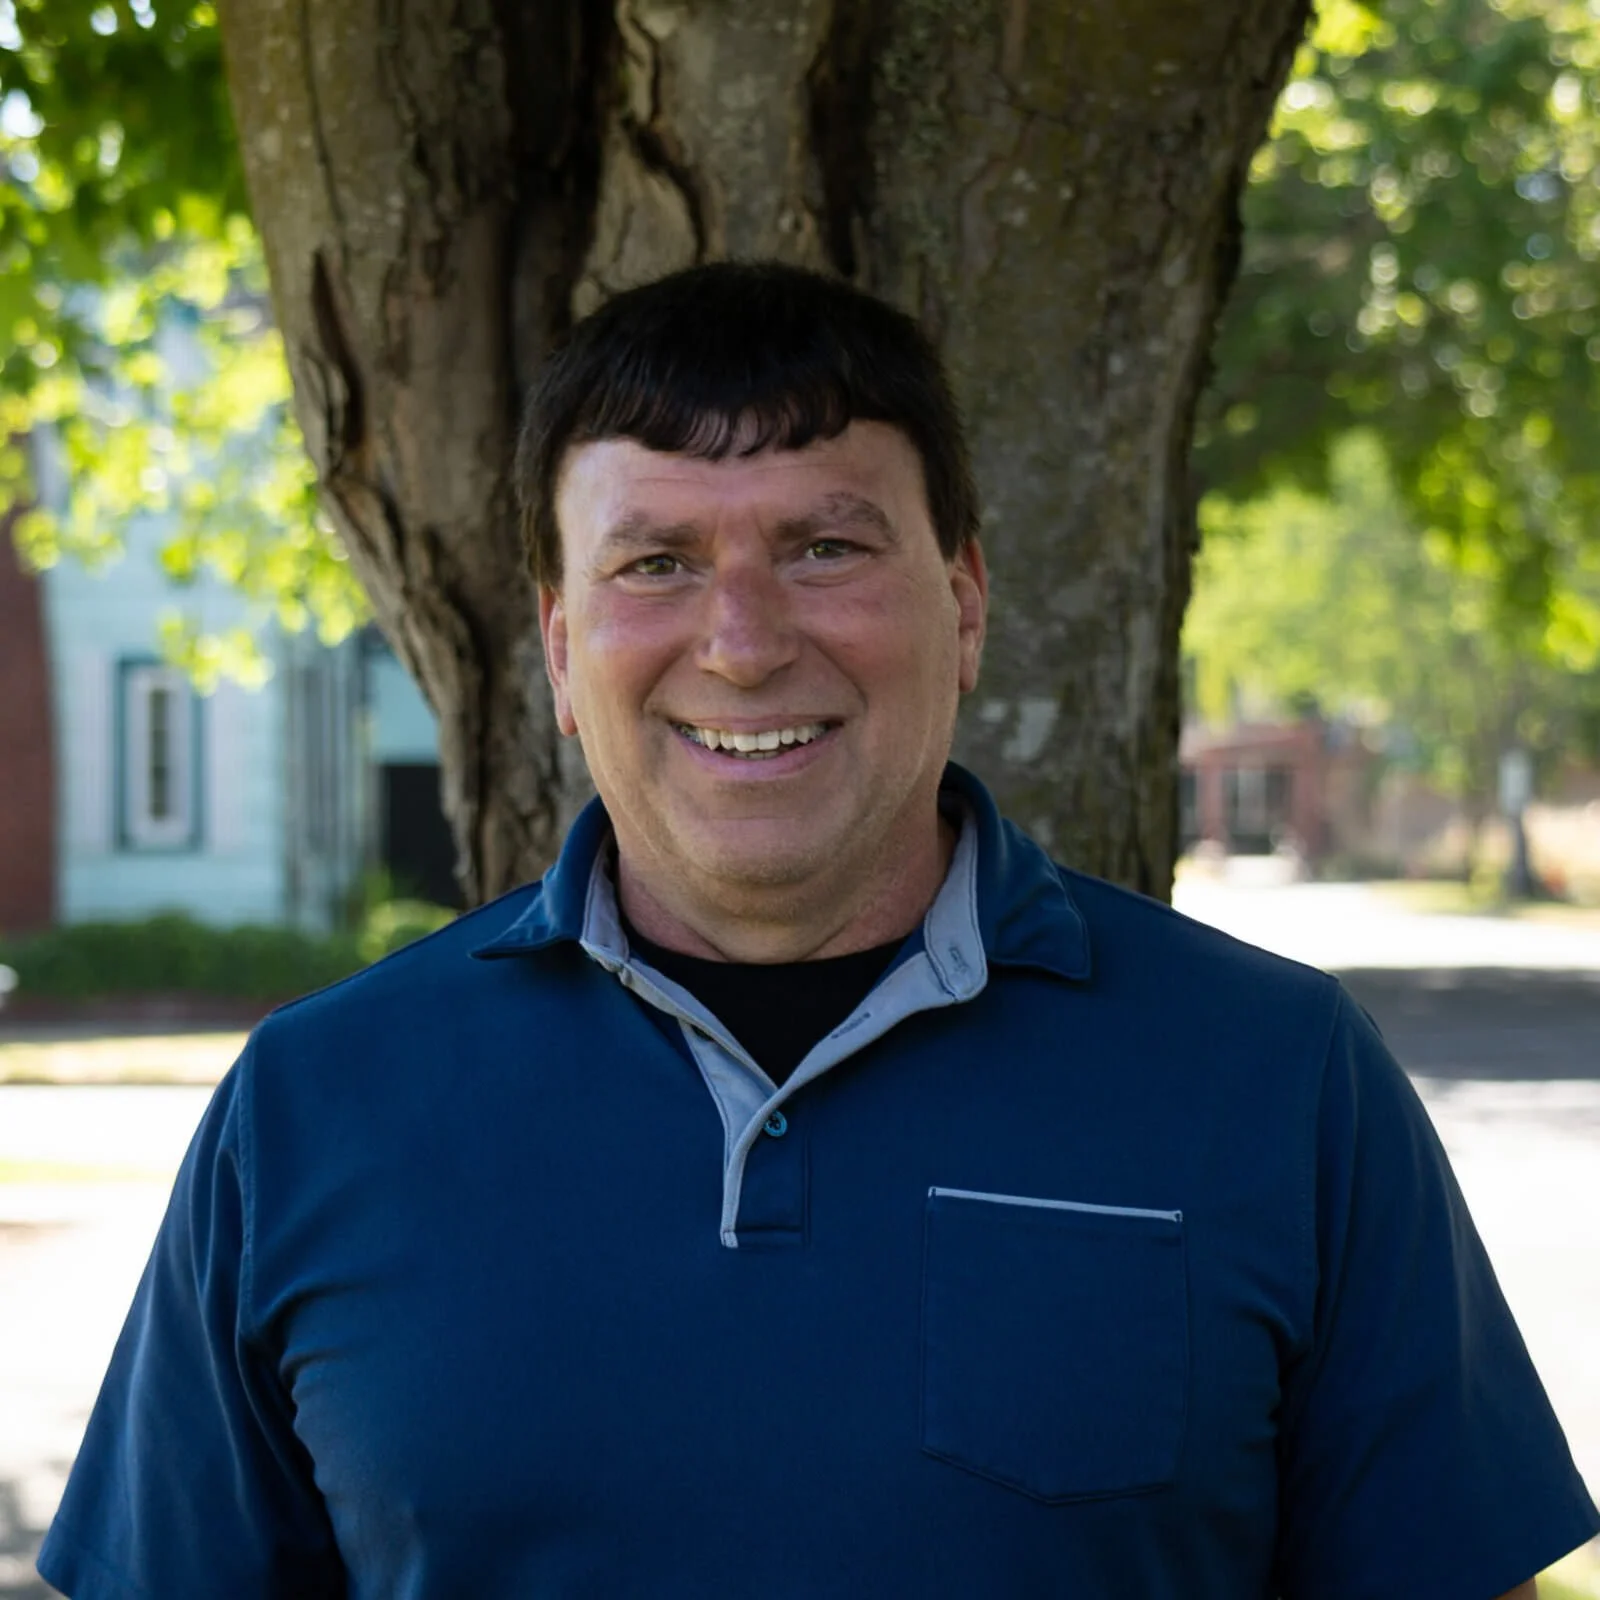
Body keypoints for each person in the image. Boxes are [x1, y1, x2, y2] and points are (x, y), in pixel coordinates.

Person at [40, 262, 1598, 1599]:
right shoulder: (313, 1108)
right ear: (562, 645)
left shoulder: (1279, 1080)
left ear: (966, 602)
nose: (743, 640)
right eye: (658, 562)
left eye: (825, 549)